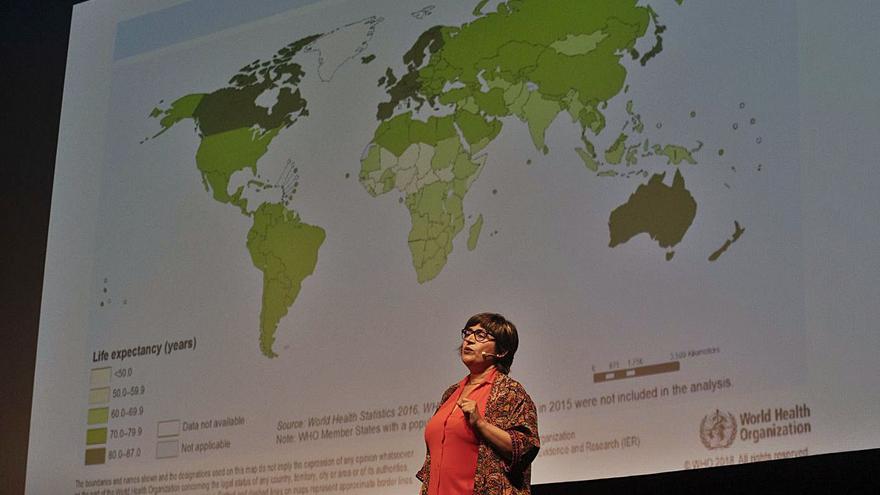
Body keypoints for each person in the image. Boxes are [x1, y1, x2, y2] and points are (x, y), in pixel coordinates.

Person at [417, 313, 540, 495]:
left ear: (501, 351)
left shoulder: (509, 391)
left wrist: (480, 424)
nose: (469, 340)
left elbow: (526, 447)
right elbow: (432, 464)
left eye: (480, 335)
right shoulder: (451, 393)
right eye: (467, 333)